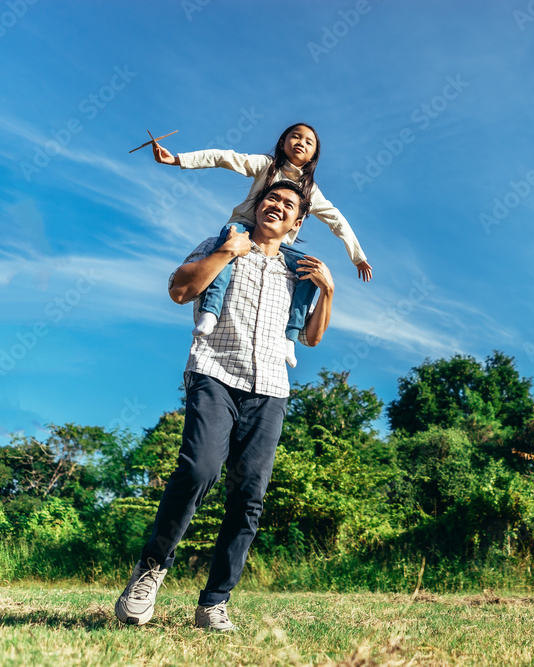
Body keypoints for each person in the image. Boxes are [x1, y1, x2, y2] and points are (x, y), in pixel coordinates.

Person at [114, 180, 334, 632]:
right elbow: (179, 291)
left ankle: (214, 601)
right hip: (214, 371)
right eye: (271, 198)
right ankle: (151, 570)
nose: (276, 205)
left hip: (270, 387)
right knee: (199, 470)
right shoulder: (221, 241)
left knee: (249, 493)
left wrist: (328, 291)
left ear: (298, 221)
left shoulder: (299, 269)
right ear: (258, 205)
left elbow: (311, 338)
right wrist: (227, 253)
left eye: (288, 204)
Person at [150, 122, 369, 368]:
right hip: (244, 228)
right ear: (283, 143)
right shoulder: (267, 165)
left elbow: (336, 218)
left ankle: (290, 336)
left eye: (308, 142)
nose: (301, 142)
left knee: (309, 270)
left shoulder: (310, 190)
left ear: (313, 156)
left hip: (278, 245)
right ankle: (210, 311)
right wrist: (178, 159)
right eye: (295, 137)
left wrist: (357, 255)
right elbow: (225, 158)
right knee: (229, 252)